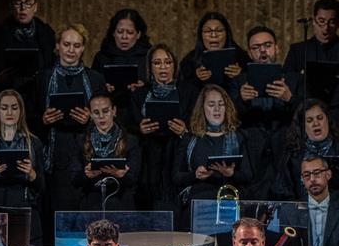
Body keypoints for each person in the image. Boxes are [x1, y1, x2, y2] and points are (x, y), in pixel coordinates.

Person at [35, 23, 106, 215]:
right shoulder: (43, 78)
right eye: (66, 44)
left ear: (83, 48)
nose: (71, 50)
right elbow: (30, 117)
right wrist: (44, 119)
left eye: (76, 45)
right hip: (54, 154)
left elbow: (107, 118)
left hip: (84, 152)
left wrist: (90, 119)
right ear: (57, 46)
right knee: (55, 209)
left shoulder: (95, 79)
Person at [132, 43, 196, 210]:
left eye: (168, 62)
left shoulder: (188, 92)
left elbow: (197, 126)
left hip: (177, 157)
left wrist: (184, 131)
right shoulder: (139, 94)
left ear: (174, 65)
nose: (163, 67)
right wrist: (141, 130)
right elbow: (129, 128)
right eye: (157, 63)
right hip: (149, 162)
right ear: (150, 67)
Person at [0, 89, 45, 246]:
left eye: (14, 108)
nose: (10, 112)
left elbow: (43, 188)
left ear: (21, 111)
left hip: (24, 213)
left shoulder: (33, 143)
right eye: (4, 108)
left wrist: (32, 174)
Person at [174, 84, 254, 209]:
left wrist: (231, 174)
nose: (217, 109)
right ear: (202, 109)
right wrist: (194, 175)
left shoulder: (239, 137)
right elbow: (177, 177)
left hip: (229, 200)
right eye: (211, 105)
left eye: (221, 104)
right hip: (199, 201)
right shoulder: (190, 138)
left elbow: (248, 176)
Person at [272, 99, 339, 204]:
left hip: (338, 210)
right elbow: (282, 190)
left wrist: (324, 200)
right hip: (301, 214)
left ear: (327, 120)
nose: (316, 123)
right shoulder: (293, 154)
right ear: (302, 126)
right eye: (309, 120)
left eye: (320, 118)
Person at [70, 91, 141, 210]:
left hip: (121, 203)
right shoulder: (80, 141)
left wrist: (122, 176)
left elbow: (134, 179)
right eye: (96, 112)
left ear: (114, 111)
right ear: (90, 115)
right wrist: (86, 175)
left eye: (106, 111)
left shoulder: (131, 141)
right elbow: (74, 180)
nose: (101, 116)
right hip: (91, 204)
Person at [0, 0, 57, 93]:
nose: (23, 8)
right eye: (18, 3)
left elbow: (52, 67)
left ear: (35, 7)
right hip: (7, 93)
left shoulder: (46, 33)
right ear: (12, 6)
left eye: (28, 3)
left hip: (38, 93)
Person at [284, 0, 339, 98]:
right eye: (321, 21)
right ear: (313, 21)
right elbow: (287, 80)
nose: (326, 28)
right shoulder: (298, 50)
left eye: (331, 22)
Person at [91, 8, 150, 127]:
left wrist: (144, 87)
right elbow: (91, 89)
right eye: (120, 31)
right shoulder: (102, 56)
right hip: (108, 117)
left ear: (138, 34)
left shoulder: (148, 56)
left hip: (140, 117)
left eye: (129, 32)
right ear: (113, 32)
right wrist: (102, 89)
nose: (124, 37)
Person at [179, 12, 247, 93]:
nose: (214, 35)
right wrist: (196, 78)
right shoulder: (189, 61)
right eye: (208, 31)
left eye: (219, 30)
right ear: (201, 35)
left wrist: (240, 76)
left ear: (227, 34)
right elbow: (182, 93)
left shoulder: (242, 57)